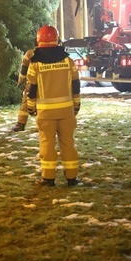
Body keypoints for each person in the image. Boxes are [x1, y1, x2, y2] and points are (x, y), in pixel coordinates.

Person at [26, 25, 81, 187]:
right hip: (66, 111)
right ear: (57, 40)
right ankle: (72, 178)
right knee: (68, 143)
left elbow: (31, 89)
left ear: (38, 40)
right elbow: (76, 85)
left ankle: (48, 178)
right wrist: (76, 105)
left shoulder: (35, 64)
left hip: (46, 113)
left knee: (47, 144)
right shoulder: (67, 60)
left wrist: (30, 107)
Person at [11, 47, 36, 132]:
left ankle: (21, 124)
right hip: (47, 83)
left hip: (32, 82)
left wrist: (20, 82)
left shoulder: (29, 53)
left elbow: (24, 70)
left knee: (26, 101)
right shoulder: (50, 53)